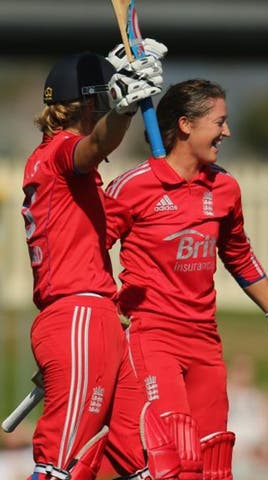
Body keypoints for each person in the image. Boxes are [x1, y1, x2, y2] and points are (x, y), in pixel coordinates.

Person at [104, 79, 268, 480]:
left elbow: (238, 255)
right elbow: (91, 250)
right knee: (169, 452)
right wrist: (102, 309)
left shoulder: (225, 188)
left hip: (204, 341)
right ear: (185, 124)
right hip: (152, 337)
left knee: (211, 461)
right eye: (220, 122)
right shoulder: (132, 187)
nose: (227, 132)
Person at [21, 43, 180, 479]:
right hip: (77, 315)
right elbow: (92, 146)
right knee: (63, 465)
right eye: (106, 102)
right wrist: (128, 107)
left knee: (136, 457)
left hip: (97, 316)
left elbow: (135, 210)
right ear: (89, 105)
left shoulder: (80, 189)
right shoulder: (59, 153)